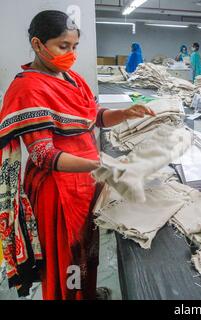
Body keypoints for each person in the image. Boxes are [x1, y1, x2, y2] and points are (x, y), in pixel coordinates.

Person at [0, 10, 155, 300]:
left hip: (85, 183)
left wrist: (123, 114)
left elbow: (93, 117)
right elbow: (44, 155)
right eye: (63, 46)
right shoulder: (28, 88)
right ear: (37, 44)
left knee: (85, 252)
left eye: (74, 47)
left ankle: (85, 292)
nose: (71, 54)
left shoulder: (72, 79)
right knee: (67, 258)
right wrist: (101, 166)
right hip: (58, 191)